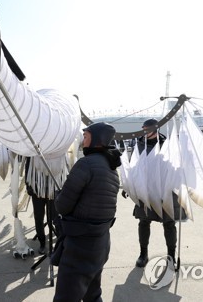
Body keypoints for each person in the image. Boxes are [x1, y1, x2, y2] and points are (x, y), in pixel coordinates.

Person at [52, 122, 121, 302]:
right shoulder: (111, 168)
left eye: (86, 137)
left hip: (80, 247)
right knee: (92, 295)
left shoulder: (85, 164)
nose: (83, 141)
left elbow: (62, 206)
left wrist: (57, 195)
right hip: (100, 243)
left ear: (97, 139)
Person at [123, 118, 185, 268]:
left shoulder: (168, 145)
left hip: (166, 189)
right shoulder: (138, 144)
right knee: (144, 221)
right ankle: (143, 254)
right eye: (143, 129)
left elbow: (177, 166)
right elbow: (132, 167)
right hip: (145, 189)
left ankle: (171, 257)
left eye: (147, 129)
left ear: (155, 129)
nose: (145, 132)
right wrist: (129, 186)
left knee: (169, 224)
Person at [24, 156, 57, 255]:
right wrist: (28, 185)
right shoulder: (33, 151)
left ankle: (59, 242)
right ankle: (42, 243)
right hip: (37, 190)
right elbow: (28, 167)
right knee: (38, 217)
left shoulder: (54, 147)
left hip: (52, 189)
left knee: (54, 217)